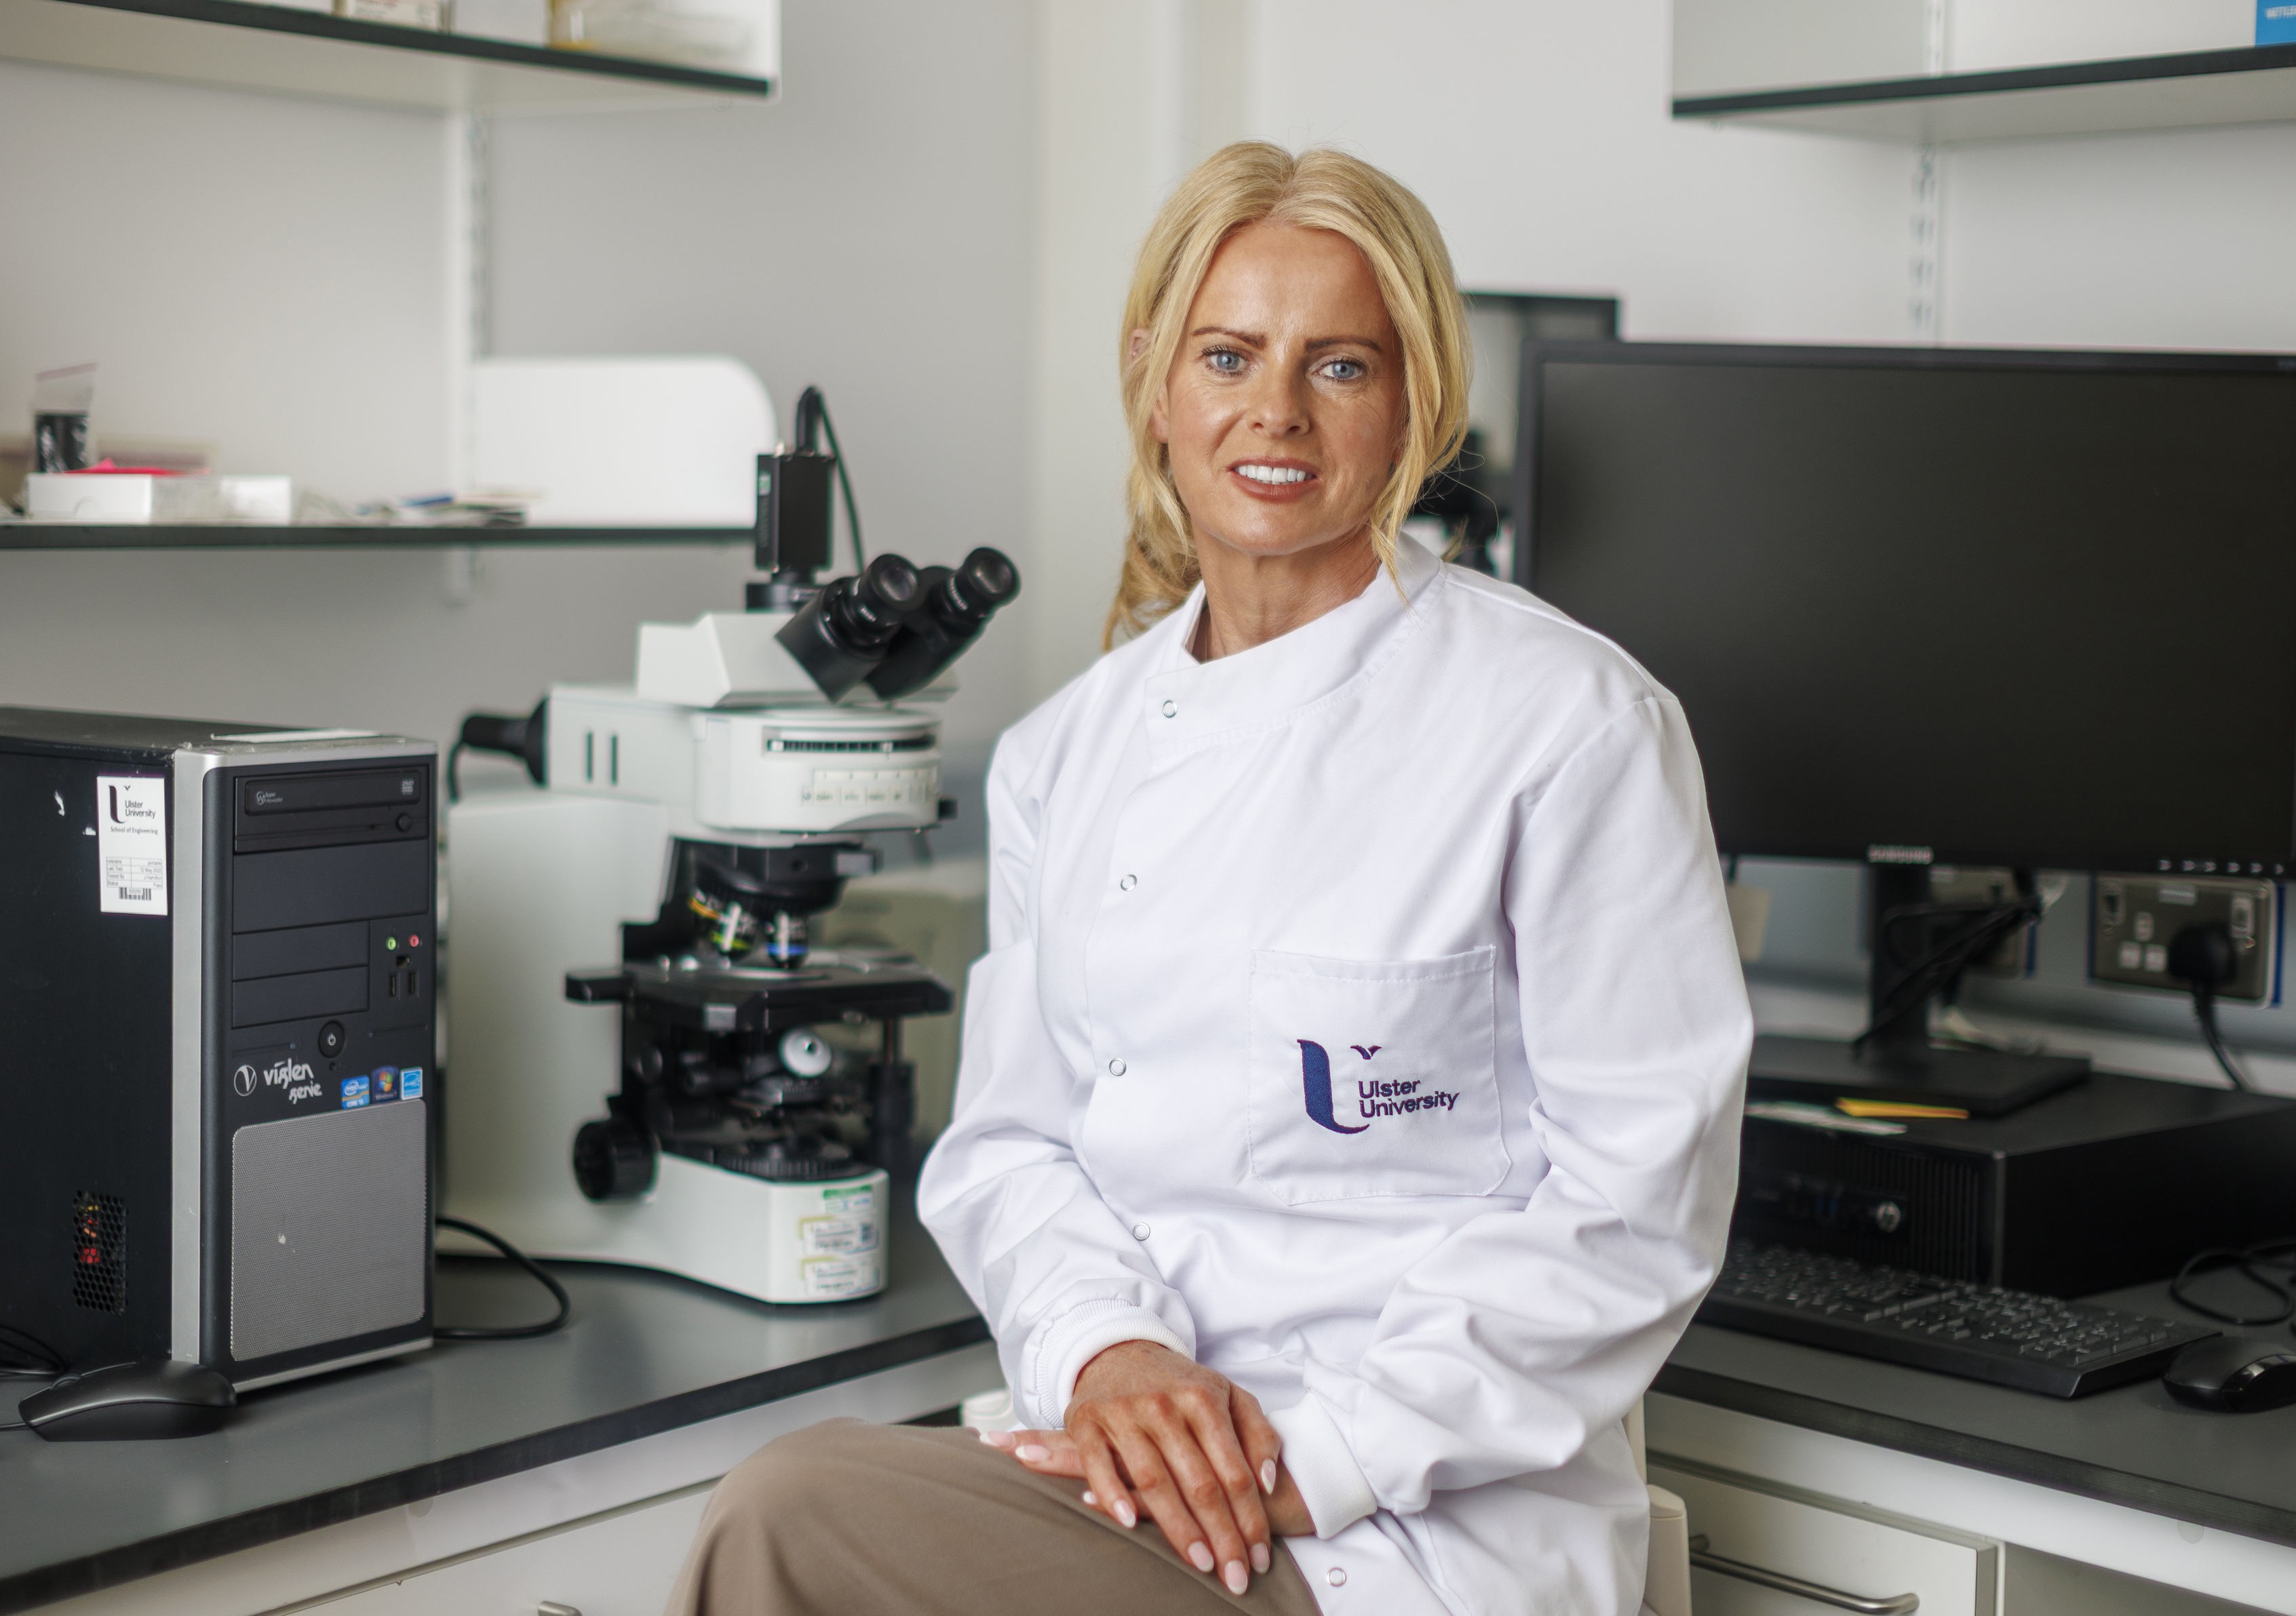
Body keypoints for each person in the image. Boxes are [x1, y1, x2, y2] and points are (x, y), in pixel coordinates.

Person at [664, 141, 1750, 1616]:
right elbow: (1012, 1149)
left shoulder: (1568, 725)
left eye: (1340, 367)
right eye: (1227, 356)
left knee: (789, 1515)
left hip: (1414, 1523)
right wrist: (1107, 1354)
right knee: (787, 1509)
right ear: (1155, 382)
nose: (1275, 411)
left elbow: (1637, 1204)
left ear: (1416, 404)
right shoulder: (1066, 754)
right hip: (1127, 1468)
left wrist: (1315, 1459)